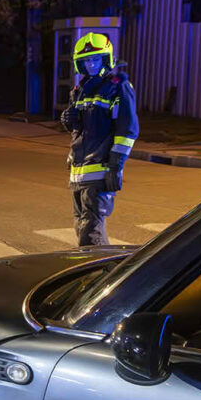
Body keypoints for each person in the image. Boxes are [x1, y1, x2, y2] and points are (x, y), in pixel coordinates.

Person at [59, 32, 139, 246]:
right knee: (82, 228)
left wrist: (115, 166)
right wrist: (69, 120)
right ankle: (103, 271)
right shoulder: (80, 91)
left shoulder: (117, 87)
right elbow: (82, 132)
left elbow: (127, 131)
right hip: (78, 174)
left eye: (95, 59)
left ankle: (98, 275)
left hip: (100, 172)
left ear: (106, 59)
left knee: (90, 234)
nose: (91, 65)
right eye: (86, 61)